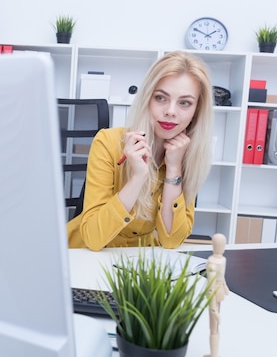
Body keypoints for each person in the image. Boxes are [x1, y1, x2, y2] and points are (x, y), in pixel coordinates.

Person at [67, 51, 213, 250]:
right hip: (84, 256)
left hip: (138, 259)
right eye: (161, 98)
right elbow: (93, 238)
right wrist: (138, 177)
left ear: (197, 110)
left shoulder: (189, 156)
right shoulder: (108, 142)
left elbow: (171, 240)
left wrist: (174, 169)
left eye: (184, 103)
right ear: (147, 99)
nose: (170, 111)